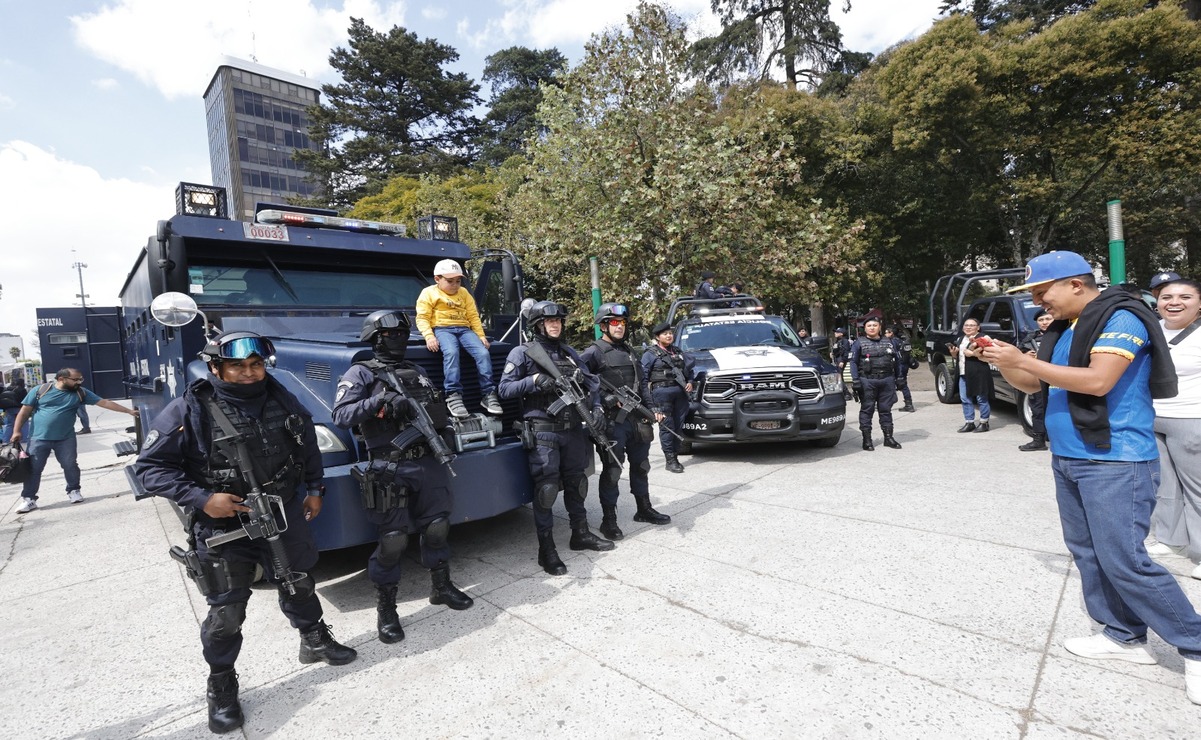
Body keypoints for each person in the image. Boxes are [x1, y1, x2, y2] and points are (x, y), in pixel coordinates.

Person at [982, 250, 1201, 706]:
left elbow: (1098, 381)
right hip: (1070, 457)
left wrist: (1026, 361)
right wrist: (1005, 361)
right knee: (1089, 553)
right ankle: (1123, 635)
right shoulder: (1066, 329)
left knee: (1126, 560)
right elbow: (1033, 386)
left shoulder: (1122, 318)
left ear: (1076, 284)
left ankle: (1195, 644)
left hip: (1115, 459)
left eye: (1043, 291)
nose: (1039, 301)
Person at [132, 331, 356, 733]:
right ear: (216, 367)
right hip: (224, 524)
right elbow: (149, 469)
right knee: (226, 613)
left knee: (299, 582)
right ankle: (221, 684)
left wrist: (315, 489)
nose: (250, 374)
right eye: (237, 366)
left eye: (256, 365)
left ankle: (313, 639)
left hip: (282, 513)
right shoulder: (190, 409)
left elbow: (306, 444)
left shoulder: (281, 395)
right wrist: (201, 498)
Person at [332, 309, 474, 644]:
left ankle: (441, 587)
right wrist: (379, 401)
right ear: (375, 338)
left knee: (437, 527)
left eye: (401, 334)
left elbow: (435, 407)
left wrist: (447, 432)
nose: (397, 340)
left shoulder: (417, 370)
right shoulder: (361, 373)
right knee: (393, 539)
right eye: (390, 335)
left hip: (428, 462)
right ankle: (386, 608)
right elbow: (341, 415)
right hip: (390, 466)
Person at [498, 300, 613, 575]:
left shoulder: (569, 352)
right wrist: (535, 382)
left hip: (572, 429)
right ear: (538, 325)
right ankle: (546, 550)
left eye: (559, 321)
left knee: (577, 483)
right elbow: (504, 389)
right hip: (544, 431)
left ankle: (580, 534)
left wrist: (596, 408)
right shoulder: (523, 353)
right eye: (550, 322)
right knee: (547, 491)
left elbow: (592, 383)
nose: (555, 325)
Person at [580, 303, 671, 540]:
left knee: (641, 466)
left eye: (622, 323)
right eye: (614, 323)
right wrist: (604, 400)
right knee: (612, 471)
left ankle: (644, 509)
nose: (619, 327)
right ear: (603, 326)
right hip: (612, 422)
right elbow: (579, 385)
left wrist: (652, 408)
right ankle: (608, 520)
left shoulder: (630, 351)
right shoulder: (593, 352)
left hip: (637, 419)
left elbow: (642, 385)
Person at [11, 369, 138, 513]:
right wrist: (16, 431)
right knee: (34, 469)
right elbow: (24, 412)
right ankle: (29, 499)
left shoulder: (80, 392)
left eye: (80, 379)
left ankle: (74, 491)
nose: (78, 382)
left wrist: (128, 411)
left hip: (66, 438)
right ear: (61, 379)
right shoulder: (40, 390)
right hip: (38, 438)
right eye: (75, 379)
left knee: (70, 465)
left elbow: (104, 403)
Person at [1144, 278, 1201, 579]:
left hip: (1193, 419)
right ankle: (1171, 540)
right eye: (1166, 297)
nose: (1174, 302)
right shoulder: (1152, 330)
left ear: (1199, 302)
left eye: (1185, 296)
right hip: (1153, 418)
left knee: (1197, 489)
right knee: (1164, 485)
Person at [415, 258, 502, 419]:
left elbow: (473, 315)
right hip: (442, 329)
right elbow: (422, 317)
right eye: (450, 281)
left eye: (458, 281)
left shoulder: (464, 293)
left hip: (464, 329)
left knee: (483, 353)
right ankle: (453, 394)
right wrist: (429, 336)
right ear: (437, 279)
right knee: (452, 352)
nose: (455, 285)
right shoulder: (429, 293)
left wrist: (481, 336)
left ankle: (488, 394)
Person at [641, 321, 695, 474]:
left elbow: (689, 370)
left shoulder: (677, 351)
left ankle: (675, 455)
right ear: (658, 337)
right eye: (665, 334)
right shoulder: (650, 354)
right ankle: (670, 460)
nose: (669, 335)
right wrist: (651, 404)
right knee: (668, 427)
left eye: (670, 333)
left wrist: (690, 382)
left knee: (678, 426)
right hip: (661, 394)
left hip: (680, 394)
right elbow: (643, 380)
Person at [848, 317, 903, 451]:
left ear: (880, 327)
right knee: (867, 409)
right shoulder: (858, 343)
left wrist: (900, 377)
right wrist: (855, 380)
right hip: (867, 381)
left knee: (886, 409)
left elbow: (897, 361)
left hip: (887, 380)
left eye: (875, 325)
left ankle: (888, 438)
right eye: (869, 326)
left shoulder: (890, 342)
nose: (872, 328)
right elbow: (853, 362)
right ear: (865, 328)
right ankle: (867, 440)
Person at [1017, 310, 1055, 451]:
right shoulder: (1031, 337)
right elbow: (1018, 353)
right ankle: (1038, 439)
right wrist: (1026, 354)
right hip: (1038, 378)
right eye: (1041, 320)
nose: (1044, 322)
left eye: (1047, 319)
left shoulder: (1063, 334)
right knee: (1037, 409)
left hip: (1060, 378)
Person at [948, 318, 993, 432]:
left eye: (972, 325)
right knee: (964, 398)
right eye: (966, 325)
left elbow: (988, 354)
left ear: (978, 327)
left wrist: (972, 353)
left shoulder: (983, 338)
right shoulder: (960, 339)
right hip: (963, 372)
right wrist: (954, 354)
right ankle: (969, 422)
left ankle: (984, 422)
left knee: (981, 398)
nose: (968, 327)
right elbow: (960, 356)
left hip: (979, 372)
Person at [888, 326, 917, 413]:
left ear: (891, 333)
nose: (885, 334)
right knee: (903, 384)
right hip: (905, 365)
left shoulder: (892, 342)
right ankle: (909, 404)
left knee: (890, 385)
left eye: (887, 332)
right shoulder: (902, 341)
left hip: (897, 365)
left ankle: (887, 404)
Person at [1, 375, 29, 443]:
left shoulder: (7, 388)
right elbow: (26, 400)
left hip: (9, 408)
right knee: (24, 423)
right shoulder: (22, 390)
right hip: (19, 408)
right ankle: (24, 439)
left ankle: (6, 440)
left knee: (10, 424)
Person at [831, 328, 854, 401]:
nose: (835, 333)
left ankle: (846, 393)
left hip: (841, 359)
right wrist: (832, 353)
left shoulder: (845, 341)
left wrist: (843, 361)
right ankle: (844, 392)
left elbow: (846, 352)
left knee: (839, 376)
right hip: (837, 359)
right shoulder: (837, 341)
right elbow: (836, 350)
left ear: (841, 333)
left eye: (837, 332)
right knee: (839, 376)